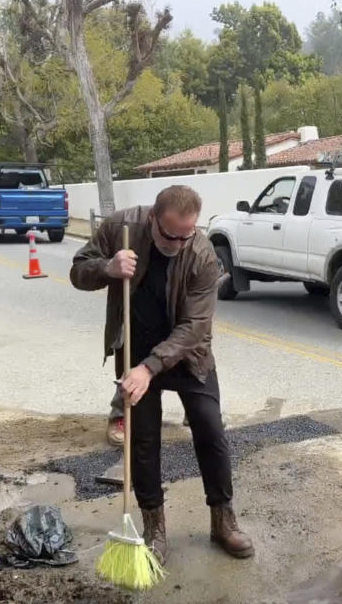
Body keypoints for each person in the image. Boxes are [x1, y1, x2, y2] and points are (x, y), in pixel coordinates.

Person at [69, 186, 253, 564]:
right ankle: (154, 526)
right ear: (153, 218)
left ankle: (223, 520)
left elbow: (196, 325)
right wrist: (107, 267)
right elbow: (77, 272)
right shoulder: (121, 227)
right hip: (135, 346)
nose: (177, 244)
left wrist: (150, 367)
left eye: (186, 235)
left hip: (186, 354)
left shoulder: (201, 253)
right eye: (170, 235)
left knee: (210, 430)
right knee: (143, 442)